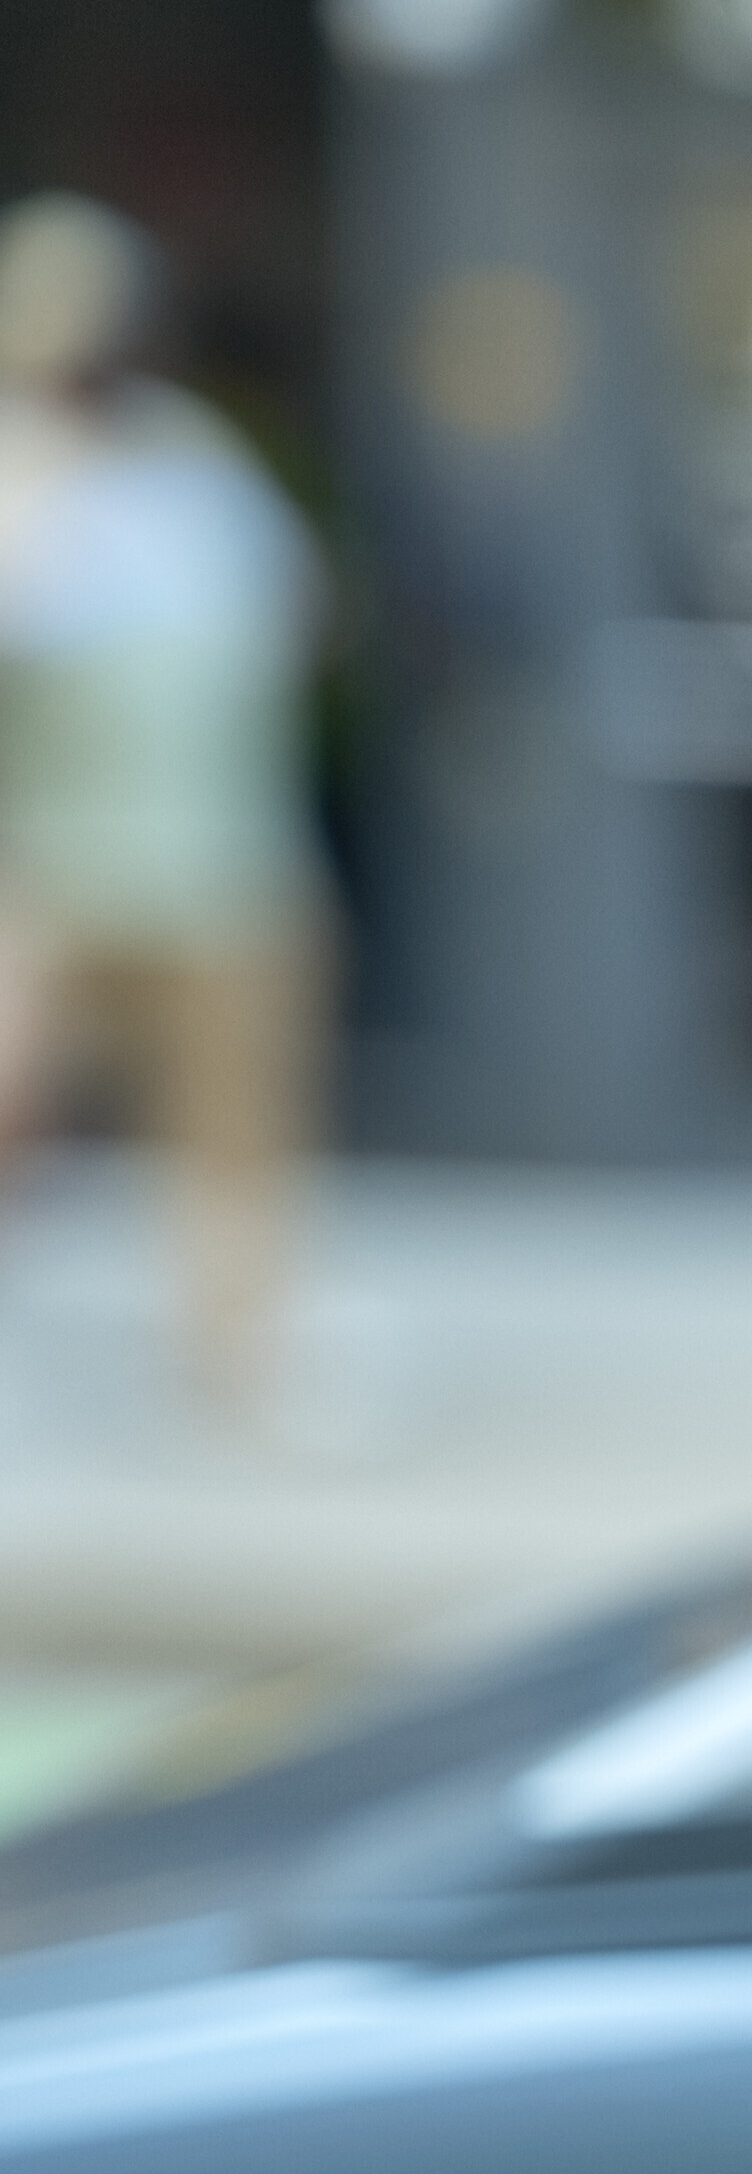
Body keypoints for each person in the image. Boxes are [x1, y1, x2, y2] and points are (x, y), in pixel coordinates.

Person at [0, 191, 332, 1438]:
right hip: (53, 870)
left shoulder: (193, 460)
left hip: (220, 863)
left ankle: (239, 1369)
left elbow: (294, 612)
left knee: (236, 1138)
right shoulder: (19, 468)